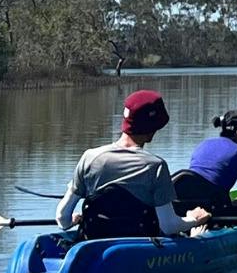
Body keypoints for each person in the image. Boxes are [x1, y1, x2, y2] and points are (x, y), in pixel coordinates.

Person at [58, 90, 208, 240]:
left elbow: (61, 218)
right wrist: (194, 219)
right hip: (139, 249)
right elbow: (168, 226)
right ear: (152, 130)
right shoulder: (156, 166)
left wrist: (72, 221)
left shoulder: (89, 158)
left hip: (92, 244)